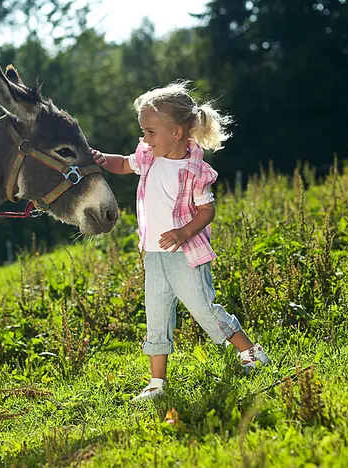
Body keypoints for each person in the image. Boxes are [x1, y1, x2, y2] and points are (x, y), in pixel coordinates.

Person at [91, 82, 270, 401]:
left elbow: (207, 209)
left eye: (149, 132)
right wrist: (102, 159)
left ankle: (251, 353)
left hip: (185, 256)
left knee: (204, 309)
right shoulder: (148, 156)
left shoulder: (194, 171)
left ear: (176, 133)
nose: (144, 139)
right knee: (156, 316)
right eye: (143, 132)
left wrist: (184, 232)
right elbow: (123, 164)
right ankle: (156, 384)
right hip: (154, 256)